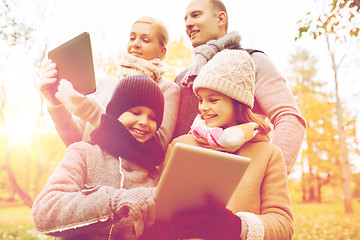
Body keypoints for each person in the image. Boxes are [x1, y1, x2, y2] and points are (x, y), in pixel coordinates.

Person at [164, 49, 294, 240]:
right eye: (200, 100)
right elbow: (158, 210)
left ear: (238, 102)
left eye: (213, 100)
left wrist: (238, 227)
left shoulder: (268, 154)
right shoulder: (180, 146)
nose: (202, 107)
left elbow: (283, 226)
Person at [172, 0, 306, 175]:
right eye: (185, 19)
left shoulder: (252, 61)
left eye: (196, 15)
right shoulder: (183, 78)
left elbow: (289, 118)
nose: (188, 23)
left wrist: (269, 176)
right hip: (183, 184)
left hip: (239, 189)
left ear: (221, 19)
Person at [32, 75, 167, 240]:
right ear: (116, 113)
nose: (144, 122)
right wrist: (113, 200)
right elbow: (44, 212)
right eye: (136, 112)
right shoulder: (83, 152)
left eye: (152, 118)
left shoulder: (157, 171)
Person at [39, 16, 179, 150]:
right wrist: (55, 104)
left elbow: (157, 146)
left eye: (145, 40)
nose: (135, 44)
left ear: (162, 51)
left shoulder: (167, 89)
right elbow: (77, 141)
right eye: (132, 38)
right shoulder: (103, 85)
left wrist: (94, 113)